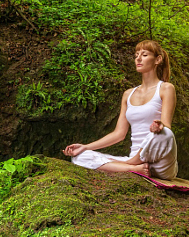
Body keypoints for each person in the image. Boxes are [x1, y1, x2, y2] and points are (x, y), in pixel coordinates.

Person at [63, 40, 178, 179]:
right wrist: (86, 147)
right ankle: (132, 168)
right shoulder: (128, 94)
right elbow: (119, 134)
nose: (138, 59)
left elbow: (166, 125)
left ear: (157, 59)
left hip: (160, 163)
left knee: (166, 133)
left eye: (144, 55)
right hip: (136, 163)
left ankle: (129, 164)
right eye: (136, 56)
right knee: (79, 157)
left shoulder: (166, 88)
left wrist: (159, 127)